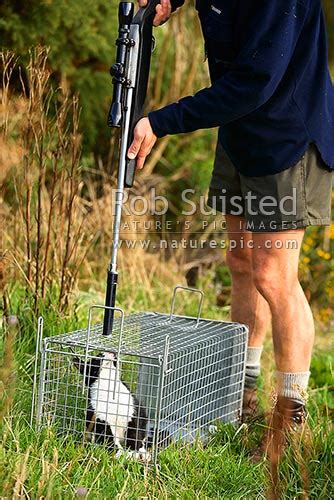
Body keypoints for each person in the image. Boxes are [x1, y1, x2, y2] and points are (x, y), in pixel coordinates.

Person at [128, 0, 334, 440]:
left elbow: (255, 82)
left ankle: (290, 419)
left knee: (274, 276)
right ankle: (241, 393)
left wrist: (162, 121)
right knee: (241, 262)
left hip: (286, 135)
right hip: (242, 132)